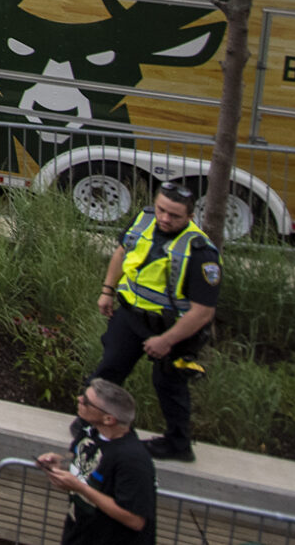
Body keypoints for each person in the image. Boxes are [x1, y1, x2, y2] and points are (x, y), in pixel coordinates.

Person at [91, 182, 217, 462]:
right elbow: (122, 253)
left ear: (190, 217)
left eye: (174, 215)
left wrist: (166, 340)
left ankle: (178, 444)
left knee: (169, 385)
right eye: (161, 210)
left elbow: (203, 312)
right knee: (109, 370)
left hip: (172, 329)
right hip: (130, 316)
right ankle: (92, 422)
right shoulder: (144, 220)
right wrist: (107, 291)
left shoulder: (200, 251)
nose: (165, 218)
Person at [36, 380, 156, 545]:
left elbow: (135, 520)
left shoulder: (133, 459)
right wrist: (59, 464)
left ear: (108, 419)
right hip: (78, 535)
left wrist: (80, 488)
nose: (79, 399)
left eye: (86, 401)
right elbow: (85, 465)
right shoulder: (89, 432)